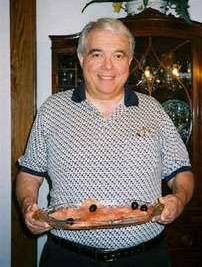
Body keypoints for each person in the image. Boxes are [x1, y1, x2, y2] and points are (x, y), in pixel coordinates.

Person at [16, 17, 194, 267]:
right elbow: (30, 174)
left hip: (145, 258)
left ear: (130, 61)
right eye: (97, 54)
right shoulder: (52, 110)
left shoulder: (153, 110)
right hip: (67, 257)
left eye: (119, 55)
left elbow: (181, 172)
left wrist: (179, 198)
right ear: (82, 59)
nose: (108, 66)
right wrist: (28, 207)